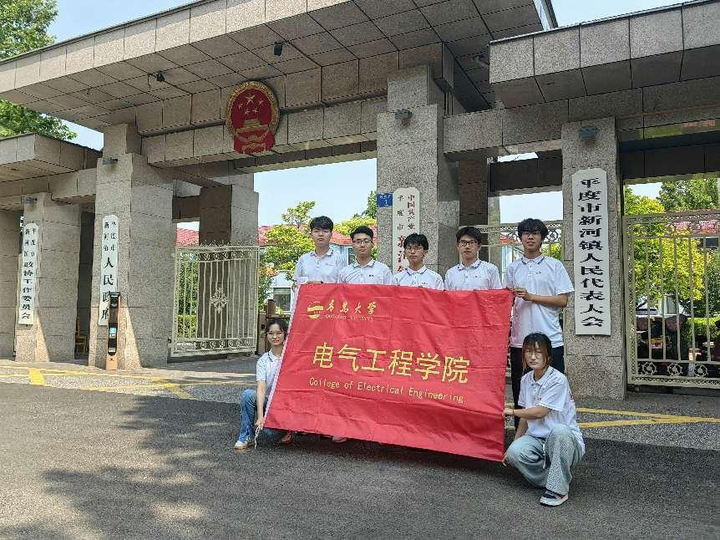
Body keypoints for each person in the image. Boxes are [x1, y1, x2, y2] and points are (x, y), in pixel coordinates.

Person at [504, 218, 574, 424]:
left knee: (553, 390)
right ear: (520, 238)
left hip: (550, 339)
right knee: (521, 393)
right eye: (526, 233)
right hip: (520, 341)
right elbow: (504, 301)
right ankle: (522, 440)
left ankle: (556, 436)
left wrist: (531, 297)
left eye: (535, 233)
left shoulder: (555, 265)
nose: (530, 237)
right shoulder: (513, 268)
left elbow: (563, 300)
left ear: (542, 238)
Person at [503, 333, 585, 507]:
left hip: (564, 442)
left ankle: (558, 490)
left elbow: (540, 412)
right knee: (514, 453)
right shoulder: (525, 380)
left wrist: (512, 411)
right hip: (537, 441)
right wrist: (514, 443)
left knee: (560, 430)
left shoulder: (558, 380)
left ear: (548, 356)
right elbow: (526, 416)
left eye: (538, 352)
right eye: (528, 352)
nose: (533, 356)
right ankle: (556, 477)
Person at [234, 318, 291, 450]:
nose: (275, 336)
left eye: (279, 333)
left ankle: (288, 430)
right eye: (271, 333)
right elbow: (261, 388)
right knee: (247, 395)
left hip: (285, 407)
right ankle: (246, 436)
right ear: (266, 335)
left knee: (272, 434)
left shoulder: (291, 357)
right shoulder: (263, 360)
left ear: (285, 334)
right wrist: (260, 417)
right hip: (269, 404)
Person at [291, 216, 345, 313]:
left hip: (330, 310)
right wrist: (296, 286)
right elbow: (295, 286)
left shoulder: (339, 258)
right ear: (311, 234)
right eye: (316, 231)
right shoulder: (303, 259)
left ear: (331, 234)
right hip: (306, 310)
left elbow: (342, 287)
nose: (320, 234)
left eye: (325, 231)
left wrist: (321, 286)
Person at [444, 226, 502, 291]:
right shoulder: (450, 273)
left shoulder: (491, 269)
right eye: (463, 242)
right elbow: (447, 299)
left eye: (471, 242)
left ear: (479, 246)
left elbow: (497, 296)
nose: (467, 246)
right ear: (458, 246)